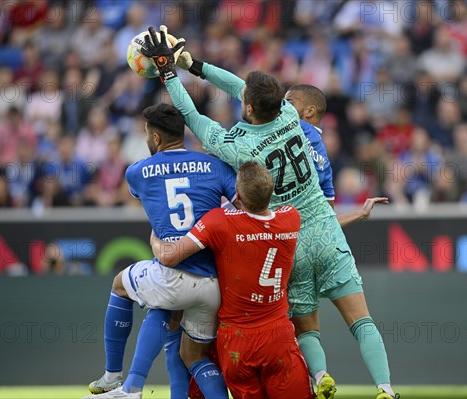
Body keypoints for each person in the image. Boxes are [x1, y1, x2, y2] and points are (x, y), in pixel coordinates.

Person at [143, 26, 399, 399]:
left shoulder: (237, 146)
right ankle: (386, 388)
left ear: (247, 107)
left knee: (308, 328)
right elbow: (241, 87)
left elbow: (190, 114)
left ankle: (321, 375)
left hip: (288, 238)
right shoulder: (291, 118)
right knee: (361, 320)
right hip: (325, 230)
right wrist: (193, 63)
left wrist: (171, 71)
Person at [85, 104, 234, 399]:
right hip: (212, 284)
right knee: (193, 355)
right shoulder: (215, 166)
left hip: (172, 272)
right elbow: (240, 203)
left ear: (155, 138)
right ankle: (133, 387)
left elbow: (154, 200)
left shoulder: (137, 172)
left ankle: (116, 377)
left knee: (120, 285)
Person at [151, 161, 314, 399]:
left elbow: (169, 257)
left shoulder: (220, 222)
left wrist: (155, 237)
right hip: (278, 336)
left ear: (237, 195)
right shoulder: (291, 218)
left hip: (237, 343)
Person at [285, 84, 389, 226]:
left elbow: (327, 222)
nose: (283, 106)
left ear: (309, 111)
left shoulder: (324, 164)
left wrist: (360, 213)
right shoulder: (292, 131)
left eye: (289, 102)